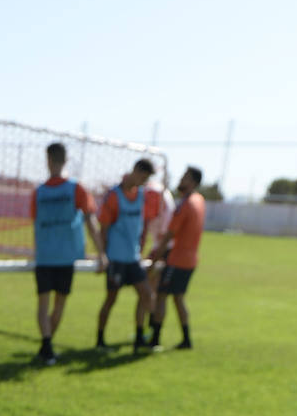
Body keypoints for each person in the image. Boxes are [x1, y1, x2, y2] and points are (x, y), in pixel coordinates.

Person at [31, 143, 103, 365]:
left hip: (44, 256)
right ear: (65, 160)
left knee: (43, 304)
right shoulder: (76, 188)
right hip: (64, 257)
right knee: (58, 305)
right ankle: (47, 346)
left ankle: (46, 345)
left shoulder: (39, 192)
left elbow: (35, 223)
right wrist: (101, 252)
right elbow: (91, 221)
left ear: (48, 160)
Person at [95, 157, 155, 352]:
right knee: (111, 299)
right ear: (135, 171)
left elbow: (141, 225)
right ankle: (100, 341)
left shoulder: (141, 195)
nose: (143, 182)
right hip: (116, 258)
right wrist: (103, 255)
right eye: (142, 177)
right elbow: (103, 227)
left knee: (146, 294)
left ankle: (140, 337)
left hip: (133, 258)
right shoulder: (114, 196)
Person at [147, 167, 206, 351]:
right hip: (191, 259)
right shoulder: (199, 200)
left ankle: (155, 339)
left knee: (161, 296)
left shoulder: (186, 204)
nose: (181, 180)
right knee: (178, 298)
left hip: (177, 259)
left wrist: (156, 258)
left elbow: (169, 234)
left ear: (194, 182)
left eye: (185, 178)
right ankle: (186, 339)